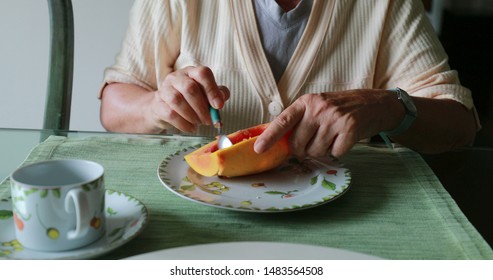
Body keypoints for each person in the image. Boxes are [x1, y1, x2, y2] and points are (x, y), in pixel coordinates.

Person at [99, 0, 479, 159]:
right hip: (197, 208)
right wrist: (155, 105)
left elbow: (460, 124)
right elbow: (114, 104)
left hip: (345, 217)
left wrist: (389, 107)